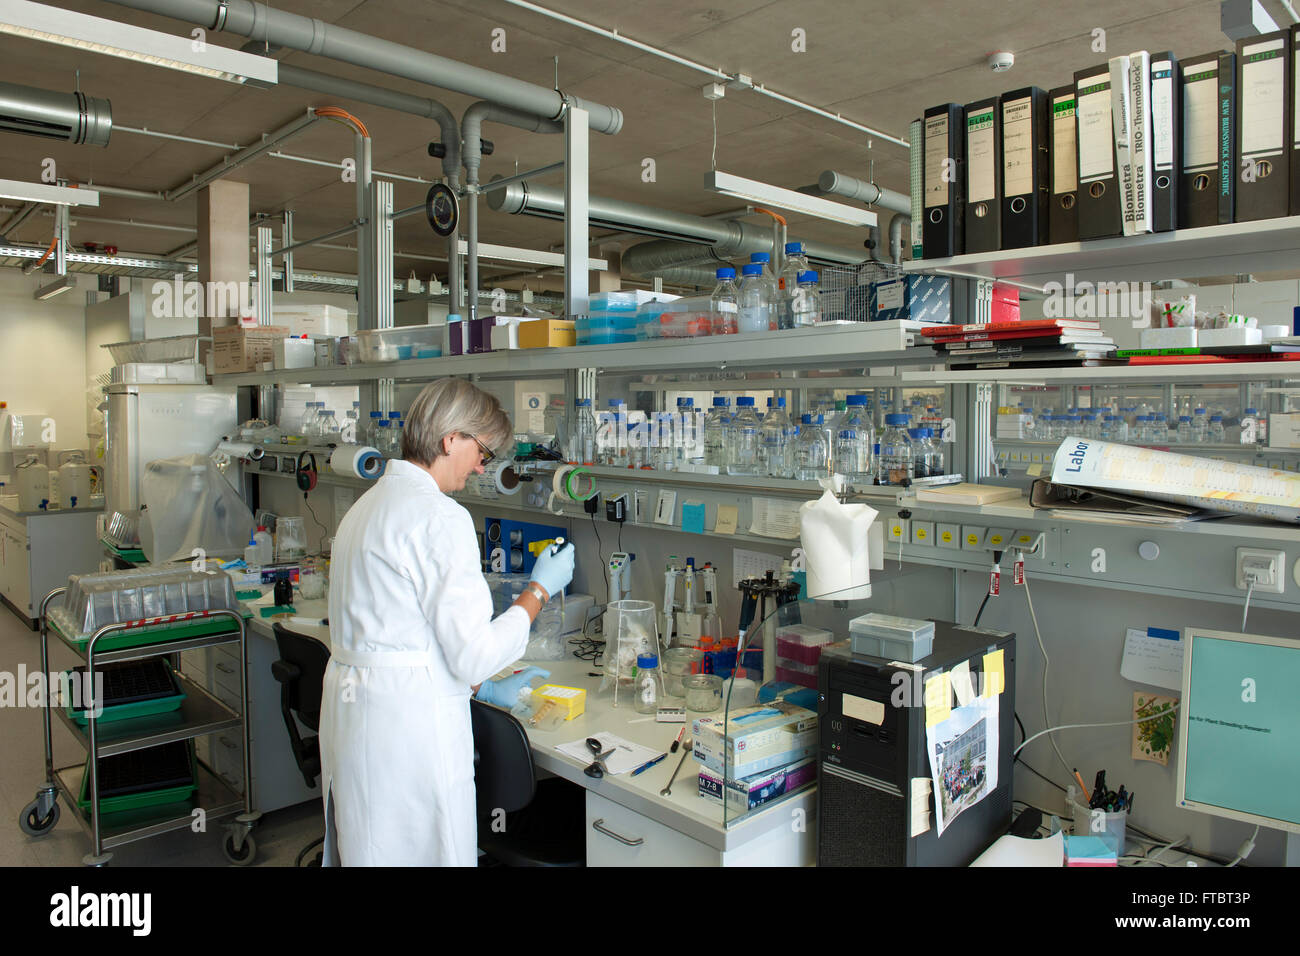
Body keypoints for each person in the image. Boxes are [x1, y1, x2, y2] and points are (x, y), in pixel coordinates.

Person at [319, 377, 575, 866]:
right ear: (450, 439)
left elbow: (400, 631)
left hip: (360, 716)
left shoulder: (365, 506)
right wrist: (539, 591)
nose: (483, 465)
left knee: (370, 849)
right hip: (409, 728)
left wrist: (478, 688)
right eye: (481, 451)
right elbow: (472, 652)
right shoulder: (440, 517)